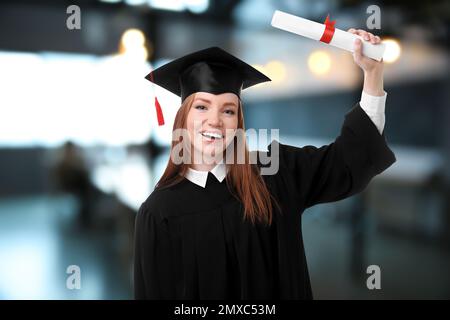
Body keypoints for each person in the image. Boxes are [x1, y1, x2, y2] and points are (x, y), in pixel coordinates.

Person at [134, 29, 396, 299]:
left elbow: (347, 160)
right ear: (183, 118)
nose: (215, 121)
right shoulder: (158, 213)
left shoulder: (276, 174)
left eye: (228, 110)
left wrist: (373, 73)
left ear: (238, 122)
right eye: (202, 107)